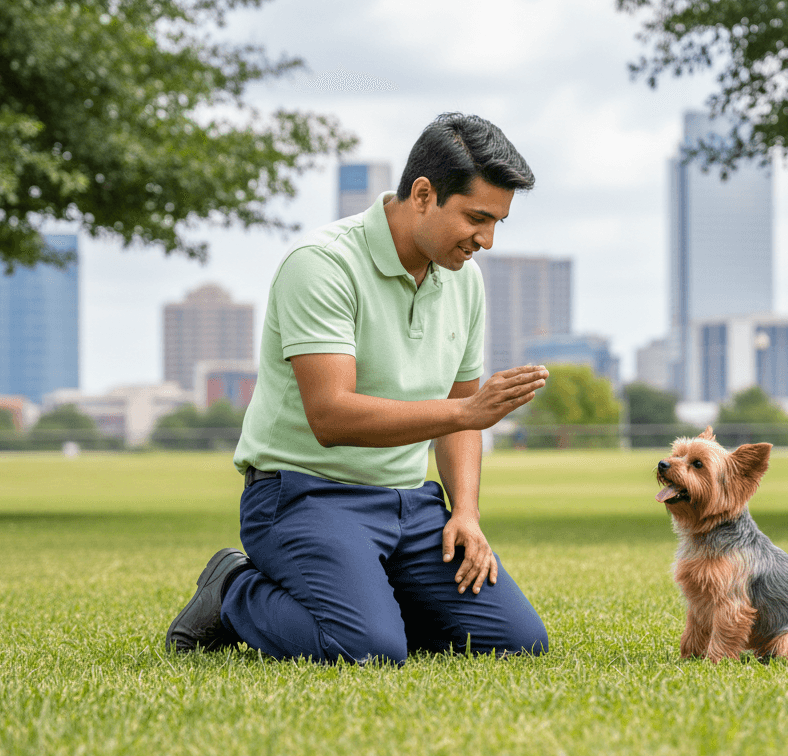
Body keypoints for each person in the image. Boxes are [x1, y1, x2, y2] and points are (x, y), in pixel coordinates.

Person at [165, 113, 550, 664]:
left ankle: (375, 602)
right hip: (305, 495)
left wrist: (465, 511)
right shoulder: (322, 265)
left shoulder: (464, 279)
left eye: (497, 224)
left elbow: (461, 413)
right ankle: (232, 589)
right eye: (477, 218)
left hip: (410, 505)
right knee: (363, 651)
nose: (486, 241)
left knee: (515, 644)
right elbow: (332, 416)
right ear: (424, 193)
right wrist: (466, 414)